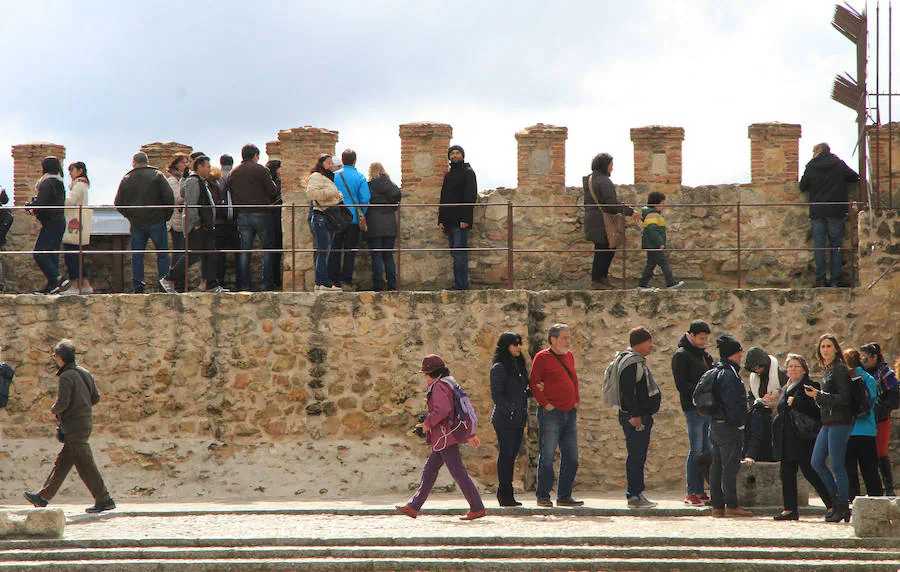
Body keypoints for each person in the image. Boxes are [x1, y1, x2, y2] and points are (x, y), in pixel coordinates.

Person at [24, 339, 115, 514]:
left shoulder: (66, 376)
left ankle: (104, 499)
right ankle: (43, 497)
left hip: (73, 427)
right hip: (84, 424)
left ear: (59, 357)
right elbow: (95, 398)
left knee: (86, 465)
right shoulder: (86, 373)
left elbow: (62, 403)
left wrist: (54, 410)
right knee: (63, 463)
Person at [396, 354, 485, 521]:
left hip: (444, 435)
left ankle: (477, 506)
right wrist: (470, 434)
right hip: (446, 435)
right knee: (430, 470)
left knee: (457, 471)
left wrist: (426, 425)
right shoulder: (450, 383)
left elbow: (442, 410)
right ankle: (413, 506)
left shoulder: (438, 387)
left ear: (430, 373)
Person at [772, 354, 833, 520]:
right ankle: (789, 509)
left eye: (796, 366)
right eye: (790, 366)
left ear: (804, 369)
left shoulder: (809, 385)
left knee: (810, 471)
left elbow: (816, 410)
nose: (792, 369)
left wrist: (796, 402)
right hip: (787, 438)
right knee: (786, 473)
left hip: (803, 437)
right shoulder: (786, 387)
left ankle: (831, 504)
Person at [530, 323, 583, 507]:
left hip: (570, 412)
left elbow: (573, 379)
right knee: (547, 455)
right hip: (551, 414)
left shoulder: (569, 356)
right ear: (553, 339)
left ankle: (564, 496)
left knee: (571, 457)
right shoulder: (542, 358)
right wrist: (546, 404)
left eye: (569, 337)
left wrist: (576, 399)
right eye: (564, 337)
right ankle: (543, 496)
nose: (568, 341)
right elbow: (534, 383)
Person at [805, 333, 853, 522]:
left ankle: (842, 505)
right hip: (828, 422)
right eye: (822, 347)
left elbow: (844, 399)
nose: (825, 350)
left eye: (828, 346)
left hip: (840, 422)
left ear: (835, 349)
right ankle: (836, 502)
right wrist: (817, 396)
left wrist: (819, 395)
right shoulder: (829, 370)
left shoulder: (840, 370)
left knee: (837, 465)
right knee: (816, 462)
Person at [798, 142, 859, 287]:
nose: (813, 154)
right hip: (835, 210)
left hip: (818, 211)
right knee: (836, 245)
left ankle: (820, 280)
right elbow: (854, 177)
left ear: (818, 150)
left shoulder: (811, 166)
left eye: (813, 151)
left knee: (819, 245)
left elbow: (802, 186)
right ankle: (835, 281)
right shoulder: (838, 164)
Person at [114, 152, 175, 293]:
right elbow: (169, 197)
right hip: (157, 220)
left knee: (137, 255)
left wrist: (130, 216)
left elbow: (118, 203)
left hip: (137, 223)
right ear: (147, 162)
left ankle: (138, 285)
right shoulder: (157, 175)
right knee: (162, 253)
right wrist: (165, 216)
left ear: (134, 162)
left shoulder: (127, 178)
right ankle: (164, 282)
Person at [616, 327, 662, 508]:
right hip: (636, 418)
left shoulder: (636, 362)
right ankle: (634, 495)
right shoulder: (631, 363)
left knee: (639, 455)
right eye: (649, 342)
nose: (651, 345)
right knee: (636, 456)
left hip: (640, 416)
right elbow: (627, 392)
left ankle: (637, 492)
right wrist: (635, 416)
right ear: (641, 343)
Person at [708, 334, 753, 517]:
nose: (741, 355)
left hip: (716, 426)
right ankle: (732, 504)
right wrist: (740, 424)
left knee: (717, 466)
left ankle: (717, 506)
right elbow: (732, 403)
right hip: (728, 428)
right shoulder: (729, 374)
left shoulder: (716, 371)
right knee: (729, 467)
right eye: (739, 352)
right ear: (732, 354)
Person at [671, 319, 714, 506]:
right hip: (693, 408)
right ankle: (691, 491)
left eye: (706, 339)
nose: (703, 342)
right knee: (696, 449)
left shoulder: (703, 355)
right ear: (691, 336)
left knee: (706, 450)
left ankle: (700, 490)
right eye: (701, 338)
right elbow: (682, 385)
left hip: (706, 408)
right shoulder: (681, 356)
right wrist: (701, 390)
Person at [583, 153, 641, 290]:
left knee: (603, 250)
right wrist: (630, 211)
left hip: (593, 219)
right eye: (611, 166)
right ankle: (598, 281)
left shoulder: (590, 180)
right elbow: (611, 203)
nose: (612, 169)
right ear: (605, 165)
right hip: (602, 221)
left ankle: (601, 280)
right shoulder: (603, 181)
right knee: (606, 250)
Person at [161, 156, 219, 293]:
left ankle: (211, 285)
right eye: (207, 166)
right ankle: (169, 278)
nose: (209, 169)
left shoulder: (199, 181)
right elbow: (191, 205)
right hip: (198, 226)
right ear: (200, 167)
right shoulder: (193, 181)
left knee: (209, 254)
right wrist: (196, 224)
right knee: (192, 255)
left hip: (205, 226)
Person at [228, 144, 279, 291]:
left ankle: (244, 285)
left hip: (242, 214)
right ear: (255, 155)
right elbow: (272, 190)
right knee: (268, 249)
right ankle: (267, 284)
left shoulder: (234, 172)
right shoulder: (261, 170)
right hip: (262, 213)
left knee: (245, 250)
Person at [490, 332, 530, 507]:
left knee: (512, 454)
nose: (518, 347)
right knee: (506, 454)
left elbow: (521, 391)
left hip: (518, 418)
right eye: (514, 344)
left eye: (520, 344)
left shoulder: (518, 366)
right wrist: (510, 410)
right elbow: (497, 395)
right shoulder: (499, 367)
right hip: (505, 419)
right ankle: (504, 492)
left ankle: (508, 492)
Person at [860, 342, 899, 496]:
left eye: (866, 358)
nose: (863, 361)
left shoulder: (886, 374)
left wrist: (880, 410)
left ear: (874, 357)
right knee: (867, 454)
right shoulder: (861, 374)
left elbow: (894, 399)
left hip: (881, 418)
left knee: (881, 452)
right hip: (864, 419)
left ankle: (889, 488)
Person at [844, 348, 882, 500]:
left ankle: (853, 503)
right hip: (867, 430)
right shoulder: (869, 378)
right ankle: (878, 501)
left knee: (849, 471)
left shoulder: (845, 378)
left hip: (848, 429)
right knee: (870, 471)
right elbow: (873, 401)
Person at [438, 145, 477, 291]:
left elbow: (470, 196)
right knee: (455, 253)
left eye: (457, 153)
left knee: (460, 253)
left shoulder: (468, 173)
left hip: (461, 221)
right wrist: (441, 220)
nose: (454, 156)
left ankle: (462, 285)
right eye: (452, 153)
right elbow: (444, 198)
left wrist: (465, 219)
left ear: (462, 155)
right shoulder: (449, 175)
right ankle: (458, 284)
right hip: (449, 221)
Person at [330, 149, 370, 291]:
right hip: (352, 219)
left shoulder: (333, 176)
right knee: (350, 250)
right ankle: (346, 280)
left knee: (334, 250)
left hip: (335, 218)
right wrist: (361, 214)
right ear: (355, 160)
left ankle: (334, 280)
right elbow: (365, 199)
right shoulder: (360, 177)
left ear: (342, 160)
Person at [28, 157, 67, 294]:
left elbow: (43, 203)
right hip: (59, 221)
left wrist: (32, 206)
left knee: (39, 253)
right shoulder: (59, 182)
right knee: (51, 253)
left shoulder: (46, 183)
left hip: (51, 222)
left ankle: (58, 278)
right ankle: (53, 286)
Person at [741, 347, 787, 465]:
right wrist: (761, 401)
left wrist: (774, 398)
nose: (758, 371)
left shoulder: (780, 374)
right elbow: (752, 398)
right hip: (762, 416)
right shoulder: (755, 379)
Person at [305, 154, 343, 292]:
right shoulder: (316, 177)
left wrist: (337, 195)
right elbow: (311, 194)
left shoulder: (327, 178)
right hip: (321, 216)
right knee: (323, 251)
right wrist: (332, 193)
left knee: (324, 251)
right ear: (321, 164)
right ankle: (323, 283)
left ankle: (320, 282)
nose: (330, 165)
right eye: (328, 163)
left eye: (331, 163)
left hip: (328, 216)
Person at [365, 162, 401, 291]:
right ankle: (392, 285)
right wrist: (392, 206)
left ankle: (378, 285)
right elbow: (398, 195)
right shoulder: (390, 184)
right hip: (389, 223)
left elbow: (363, 200)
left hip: (374, 223)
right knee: (388, 255)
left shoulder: (368, 185)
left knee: (376, 256)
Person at [638, 191, 684, 291]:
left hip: (651, 245)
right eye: (662, 204)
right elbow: (652, 230)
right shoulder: (653, 215)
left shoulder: (652, 214)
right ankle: (670, 282)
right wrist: (660, 243)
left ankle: (643, 283)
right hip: (654, 245)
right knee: (664, 263)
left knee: (651, 264)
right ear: (655, 204)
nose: (664, 206)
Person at [60, 162, 93, 295]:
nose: (70, 174)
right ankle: (85, 285)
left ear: (80, 171)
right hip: (79, 223)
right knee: (77, 256)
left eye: (72, 171)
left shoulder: (78, 185)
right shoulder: (83, 185)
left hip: (73, 224)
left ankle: (75, 286)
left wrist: (58, 198)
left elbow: (71, 201)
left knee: (71, 256)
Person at [165, 154, 190, 252]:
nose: (186, 165)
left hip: (182, 219)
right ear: (176, 164)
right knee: (179, 249)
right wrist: (189, 193)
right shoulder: (172, 180)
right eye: (183, 162)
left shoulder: (184, 179)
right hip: (176, 220)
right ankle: (176, 268)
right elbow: (176, 198)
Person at [266, 159, 284, 290]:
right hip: (276, 216)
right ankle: (275, 280)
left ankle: (272, 280)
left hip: (268, 216)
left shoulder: (266, 181)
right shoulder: (277, 182)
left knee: (271, 250)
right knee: (275, 250)